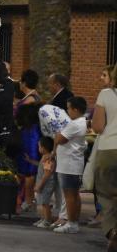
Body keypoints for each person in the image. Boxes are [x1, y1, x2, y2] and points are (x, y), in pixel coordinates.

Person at [53, 96, 88, 234]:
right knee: (74, 195)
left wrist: (57, 134)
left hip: (69, 165)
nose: (67, 111)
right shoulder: (80, 122)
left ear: (76, 109)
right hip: (72, 164)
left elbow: (59, 139)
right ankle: (74, 222)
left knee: (69, 196)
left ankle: (71, 223)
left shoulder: (75, 124)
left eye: (69, 108)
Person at [92, 64, 117, 251]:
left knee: (106, 194)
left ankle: (112, 231)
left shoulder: (106, 95)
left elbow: (98, 127)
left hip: (109, 149)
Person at [15, 103, 43, 212]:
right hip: (28, 156)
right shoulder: (31, 128)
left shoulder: (32, 129)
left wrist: (32, 160)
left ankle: (28, 200)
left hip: (30, 157)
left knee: (29, 176)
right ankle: (27, 200)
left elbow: (32, 145)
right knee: (28, 176)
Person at [30, 136, 56, 228]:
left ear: (44, 148)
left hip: (46, 184)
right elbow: (41, 166)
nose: (38, 148)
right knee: (41, 202)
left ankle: (47, 220)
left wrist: (40, 185)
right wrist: (30, 161)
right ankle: (44, 218)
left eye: (39, 146)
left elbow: (47, 173)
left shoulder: (48, 158)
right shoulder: (45, 157)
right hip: (43, 184)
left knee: (45, 203)